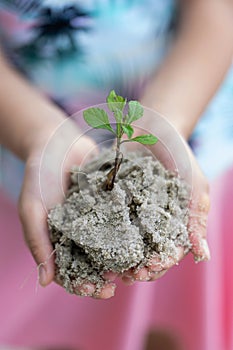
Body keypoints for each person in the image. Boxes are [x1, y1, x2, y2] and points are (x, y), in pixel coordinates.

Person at [0, 0, 232, 349]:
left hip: (190, 131)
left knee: (173, 320)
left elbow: (218, 12)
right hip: (31, 163)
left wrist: (168, 121)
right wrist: (35, 133)